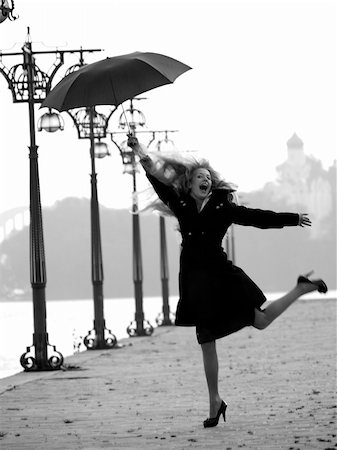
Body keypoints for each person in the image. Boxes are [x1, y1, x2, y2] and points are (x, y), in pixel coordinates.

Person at [127, 135, 328, 428]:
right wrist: (138, 150)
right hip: (196, 283)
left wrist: (292, 218)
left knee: (260, 321)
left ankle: (300, 288)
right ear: (191, 183)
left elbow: (257, 217)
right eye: (200, 177)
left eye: (208, 177)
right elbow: (156, 177)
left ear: (212, 183)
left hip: (221, 278)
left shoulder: (224, 207)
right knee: (206, 339)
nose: (205, 180)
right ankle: (214, 400)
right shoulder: (181, 203)